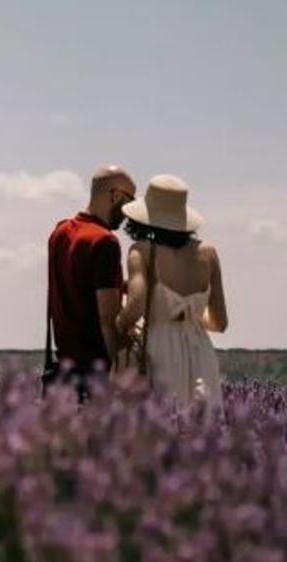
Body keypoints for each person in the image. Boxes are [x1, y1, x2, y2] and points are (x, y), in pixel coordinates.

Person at [116, 175, 227, 407]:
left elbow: (136, 305)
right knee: (203, 432)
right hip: (202, 352)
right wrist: (189, 316)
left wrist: (118, 324)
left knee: (163, 427)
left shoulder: (142, 251)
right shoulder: (208, 254)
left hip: (161, 351)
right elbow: (220, 323)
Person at [46, 165, 137, 398]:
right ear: (115, 196)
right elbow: (108, 320)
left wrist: (126, 286)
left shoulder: (60, 232)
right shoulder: (105, 241)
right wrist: (122, 369)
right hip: (96, 371)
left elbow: (78, 282)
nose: (128, 212)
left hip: (65, 369)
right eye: (129, 201)